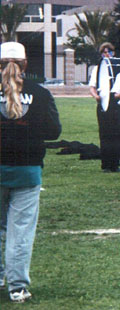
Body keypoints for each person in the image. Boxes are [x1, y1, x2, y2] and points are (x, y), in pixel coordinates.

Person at [0, 42, 61, 302]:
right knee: (21, 231)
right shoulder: (41, 93)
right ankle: (17, 287)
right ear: (25, 64)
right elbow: (54, 131)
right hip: (28, 170)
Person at [88, 42, 120, 173]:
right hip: (102, 104)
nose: (107, 54)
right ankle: (106, 164)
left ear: (114, 53)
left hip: (115, 104)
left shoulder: (119, 66)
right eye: (104, 52)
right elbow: (92, 87)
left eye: (109, 52)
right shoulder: (97, 68)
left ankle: (115, 164)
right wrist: (96, 96)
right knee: (105, 134)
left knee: (116, 134)